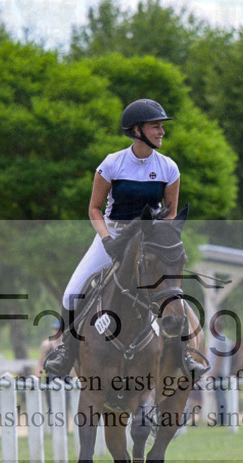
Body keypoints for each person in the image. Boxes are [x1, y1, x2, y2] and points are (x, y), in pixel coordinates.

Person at [44, 98, 205, 377]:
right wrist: (107, 239)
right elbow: (94, 208)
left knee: (172, 299)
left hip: (149, 241)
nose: (162, 132)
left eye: (161, 127)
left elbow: (171, 215)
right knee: (72, 293)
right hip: (113, 236)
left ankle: (185, 355)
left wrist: (157, 243)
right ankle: (66, 353)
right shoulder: (112, 164)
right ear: (137, 130)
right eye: (156, 127)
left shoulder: (169, 168)